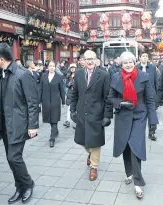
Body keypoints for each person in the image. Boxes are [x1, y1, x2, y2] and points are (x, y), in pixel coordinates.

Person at [0, 43, 39, 204]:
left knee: (14, 157)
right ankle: (20, 187)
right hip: (4, 124)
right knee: (10, 158)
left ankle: (27, 183)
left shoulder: (22, 74)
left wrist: (33, 125)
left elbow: (32, 101)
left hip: (18, 124)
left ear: (1, 59)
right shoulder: (0, 74)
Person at [109, 51, 158, 199]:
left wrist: (153, 121)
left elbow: (150, 99)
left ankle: (138, 182)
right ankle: (129, 172)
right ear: (121, 64)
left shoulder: (144, 77)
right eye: (125, 62)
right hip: (122, 116)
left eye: (131, 61)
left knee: (136, 147)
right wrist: (120, 103)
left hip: (139, 117)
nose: (128, 64)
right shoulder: (116, 77)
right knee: (125, 146)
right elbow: (110, 98)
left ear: (134, 62)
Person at [70, 50, 113, 181]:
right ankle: (90, 154)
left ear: (96, 60)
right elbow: (74, 94)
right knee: (83, 141)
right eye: (87, 59)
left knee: (95, 142)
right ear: (83, 60)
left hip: (96, 114)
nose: (89, 61)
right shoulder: (78, 74)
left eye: (92, 59)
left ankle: (94, 167)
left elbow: (108, 97)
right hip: (82, 113)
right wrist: (72, 110)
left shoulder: (104, 75)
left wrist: (107, 115)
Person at [40, 61, 65, 147]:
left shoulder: (59, 77)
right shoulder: (43, 76)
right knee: (49, 119)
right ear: (47, 67)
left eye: (53, 66)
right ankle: (55, 130)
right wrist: (39, 101)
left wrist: (63, 101)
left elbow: (62, 89)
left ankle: (52, 138)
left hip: (55, 101)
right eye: (50, 66)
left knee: (54, 118)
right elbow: (40, 89)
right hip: (46, 101)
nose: (51, 67)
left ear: (55, 67)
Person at [137, 52, 159, 141]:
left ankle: (152, 132)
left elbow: (156, 81)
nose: (145, 58)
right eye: (143, 56)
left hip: (151, 94)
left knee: (152, 113)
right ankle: (139, 132)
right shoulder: (136, 68)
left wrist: (157, 95)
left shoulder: (153, 68)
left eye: (146, 56)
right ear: (140, 58)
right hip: (140, 95)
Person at [64, 63, 77, 128]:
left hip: (76, 93)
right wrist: (69, 83)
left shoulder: (78, 75)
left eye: (73, 68)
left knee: (76, 108)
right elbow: (66, 84)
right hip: (70, 92)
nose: (72, 69)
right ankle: (68, 121)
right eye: (71, 68)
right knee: (69, 107)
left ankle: (76, 122)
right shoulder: (68, 75)